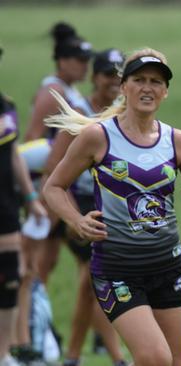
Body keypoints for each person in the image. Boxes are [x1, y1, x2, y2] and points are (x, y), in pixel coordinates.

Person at [42, 48, 181, 366]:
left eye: (156, 82)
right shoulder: (97, 137)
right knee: (154, 357)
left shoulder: (177, 141)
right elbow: (54, 187)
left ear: (165, 91)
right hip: (118, 269)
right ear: (124, 86)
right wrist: (76, 220)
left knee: (174, 359)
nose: (147, 88)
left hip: (168, 268)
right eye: (139, 79)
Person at [12, 22, 93, 362]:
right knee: (35, 267)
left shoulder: (71, 92)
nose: (83, 66)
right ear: (61, 61)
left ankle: (39, 333)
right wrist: (36, 196)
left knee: (49, 264)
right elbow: (30, 143)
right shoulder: (51, 93)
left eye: (86, 59)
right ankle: (29, 333)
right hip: (50, 191)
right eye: (77, 59)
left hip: (67, 188)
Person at [42, 48, 128, 366]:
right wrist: (65, 216)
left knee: (90, 286)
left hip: (110, 207)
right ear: (95, 78)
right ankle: (114, 357)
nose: (114, 82)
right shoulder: (79, 114)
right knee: (92, 282)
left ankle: (75, 357)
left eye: (120, 76)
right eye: (108, 75)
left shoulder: (126, 114)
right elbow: (54, 167)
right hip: (79, 207)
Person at [0, 46, 47, 366]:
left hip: (6, 204)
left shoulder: (7, 105)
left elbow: (14, 152)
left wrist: (31, 199)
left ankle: (2, 353)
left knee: (10, 277)